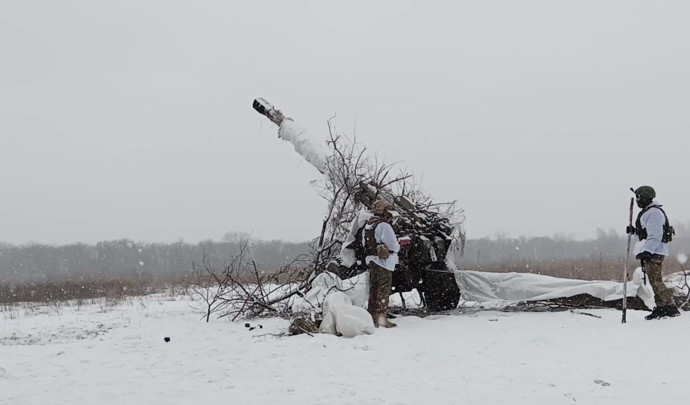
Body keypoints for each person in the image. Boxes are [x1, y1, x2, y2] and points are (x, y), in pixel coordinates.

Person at [626, 186, 680, 320]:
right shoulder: (648, 212)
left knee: (656, 281)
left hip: (655, 251)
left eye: (639, 198)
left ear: (644, 198)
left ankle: (670, 307)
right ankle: (661, 307)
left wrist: (647, 251)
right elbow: (647, 232)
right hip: (652, 250)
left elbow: (655, 235)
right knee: (653, 280)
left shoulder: (654, 213)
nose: (637, 201)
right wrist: (635, 231)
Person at [362, 199, 400, 328]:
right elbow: (393, 245)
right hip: (384, 262)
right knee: (383, 290)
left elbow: (364, 244)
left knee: (374, 289)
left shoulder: (368, 225)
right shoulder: (384, 226)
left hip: (372, 261)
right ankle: (382, 318)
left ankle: (372, 316)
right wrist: (398, 247)